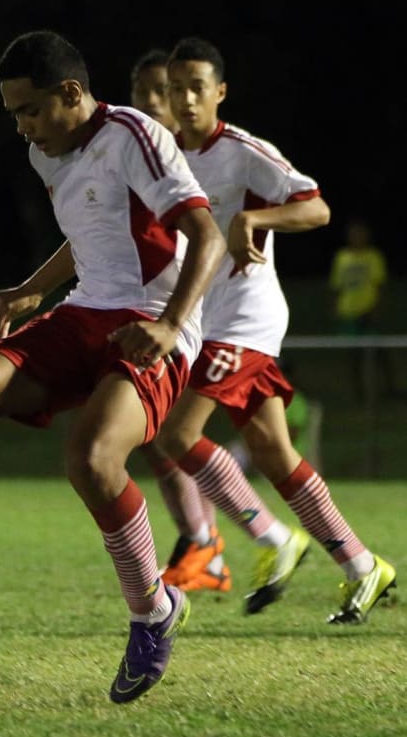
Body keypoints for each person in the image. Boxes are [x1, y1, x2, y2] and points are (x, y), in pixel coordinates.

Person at [0, 30, 226, 704]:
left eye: (30, 110)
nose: (22, 127)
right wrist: (29, 290)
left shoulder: (136, 134)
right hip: (83, 314)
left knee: (91, 461)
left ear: (71, 93)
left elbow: (205, 232)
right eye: (13, 114)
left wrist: (171, 323)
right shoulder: (47, 149)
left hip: (149, 323)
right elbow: (92, 228)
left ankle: (154, 612)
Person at [154, 36, 396, 623]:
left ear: (219, 92)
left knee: (177, 435)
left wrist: (255, 217)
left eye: (196, 88)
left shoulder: (242, 151)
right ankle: (364, 566)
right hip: (205, 322)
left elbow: (317, 208)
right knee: (272, 452)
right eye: (175, 88)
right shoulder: (162, 158)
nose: (185, 99)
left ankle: (273, 537)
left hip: (245, 319)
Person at [130, 48, 232, 593]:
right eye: (141, 90)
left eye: (159, 91)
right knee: (155, 436)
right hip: (155, 312)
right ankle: (203, 542)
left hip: (198, 318)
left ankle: (210, 542)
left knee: (172, 433)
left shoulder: (186, 160)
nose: (150, 102)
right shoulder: (131, 155)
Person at [329, 218, 396, 396]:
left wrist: (377, 309)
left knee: (379, 353)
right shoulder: (342, 257)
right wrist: (335, 308)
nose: (356, 237)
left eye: (360, 234)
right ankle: (358, 392)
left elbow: (380, 285)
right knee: (354, 356)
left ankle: (389, 389)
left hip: (367, 311)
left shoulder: (373, 256)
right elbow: (337, 286)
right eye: (353, 234)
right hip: (348, 312)